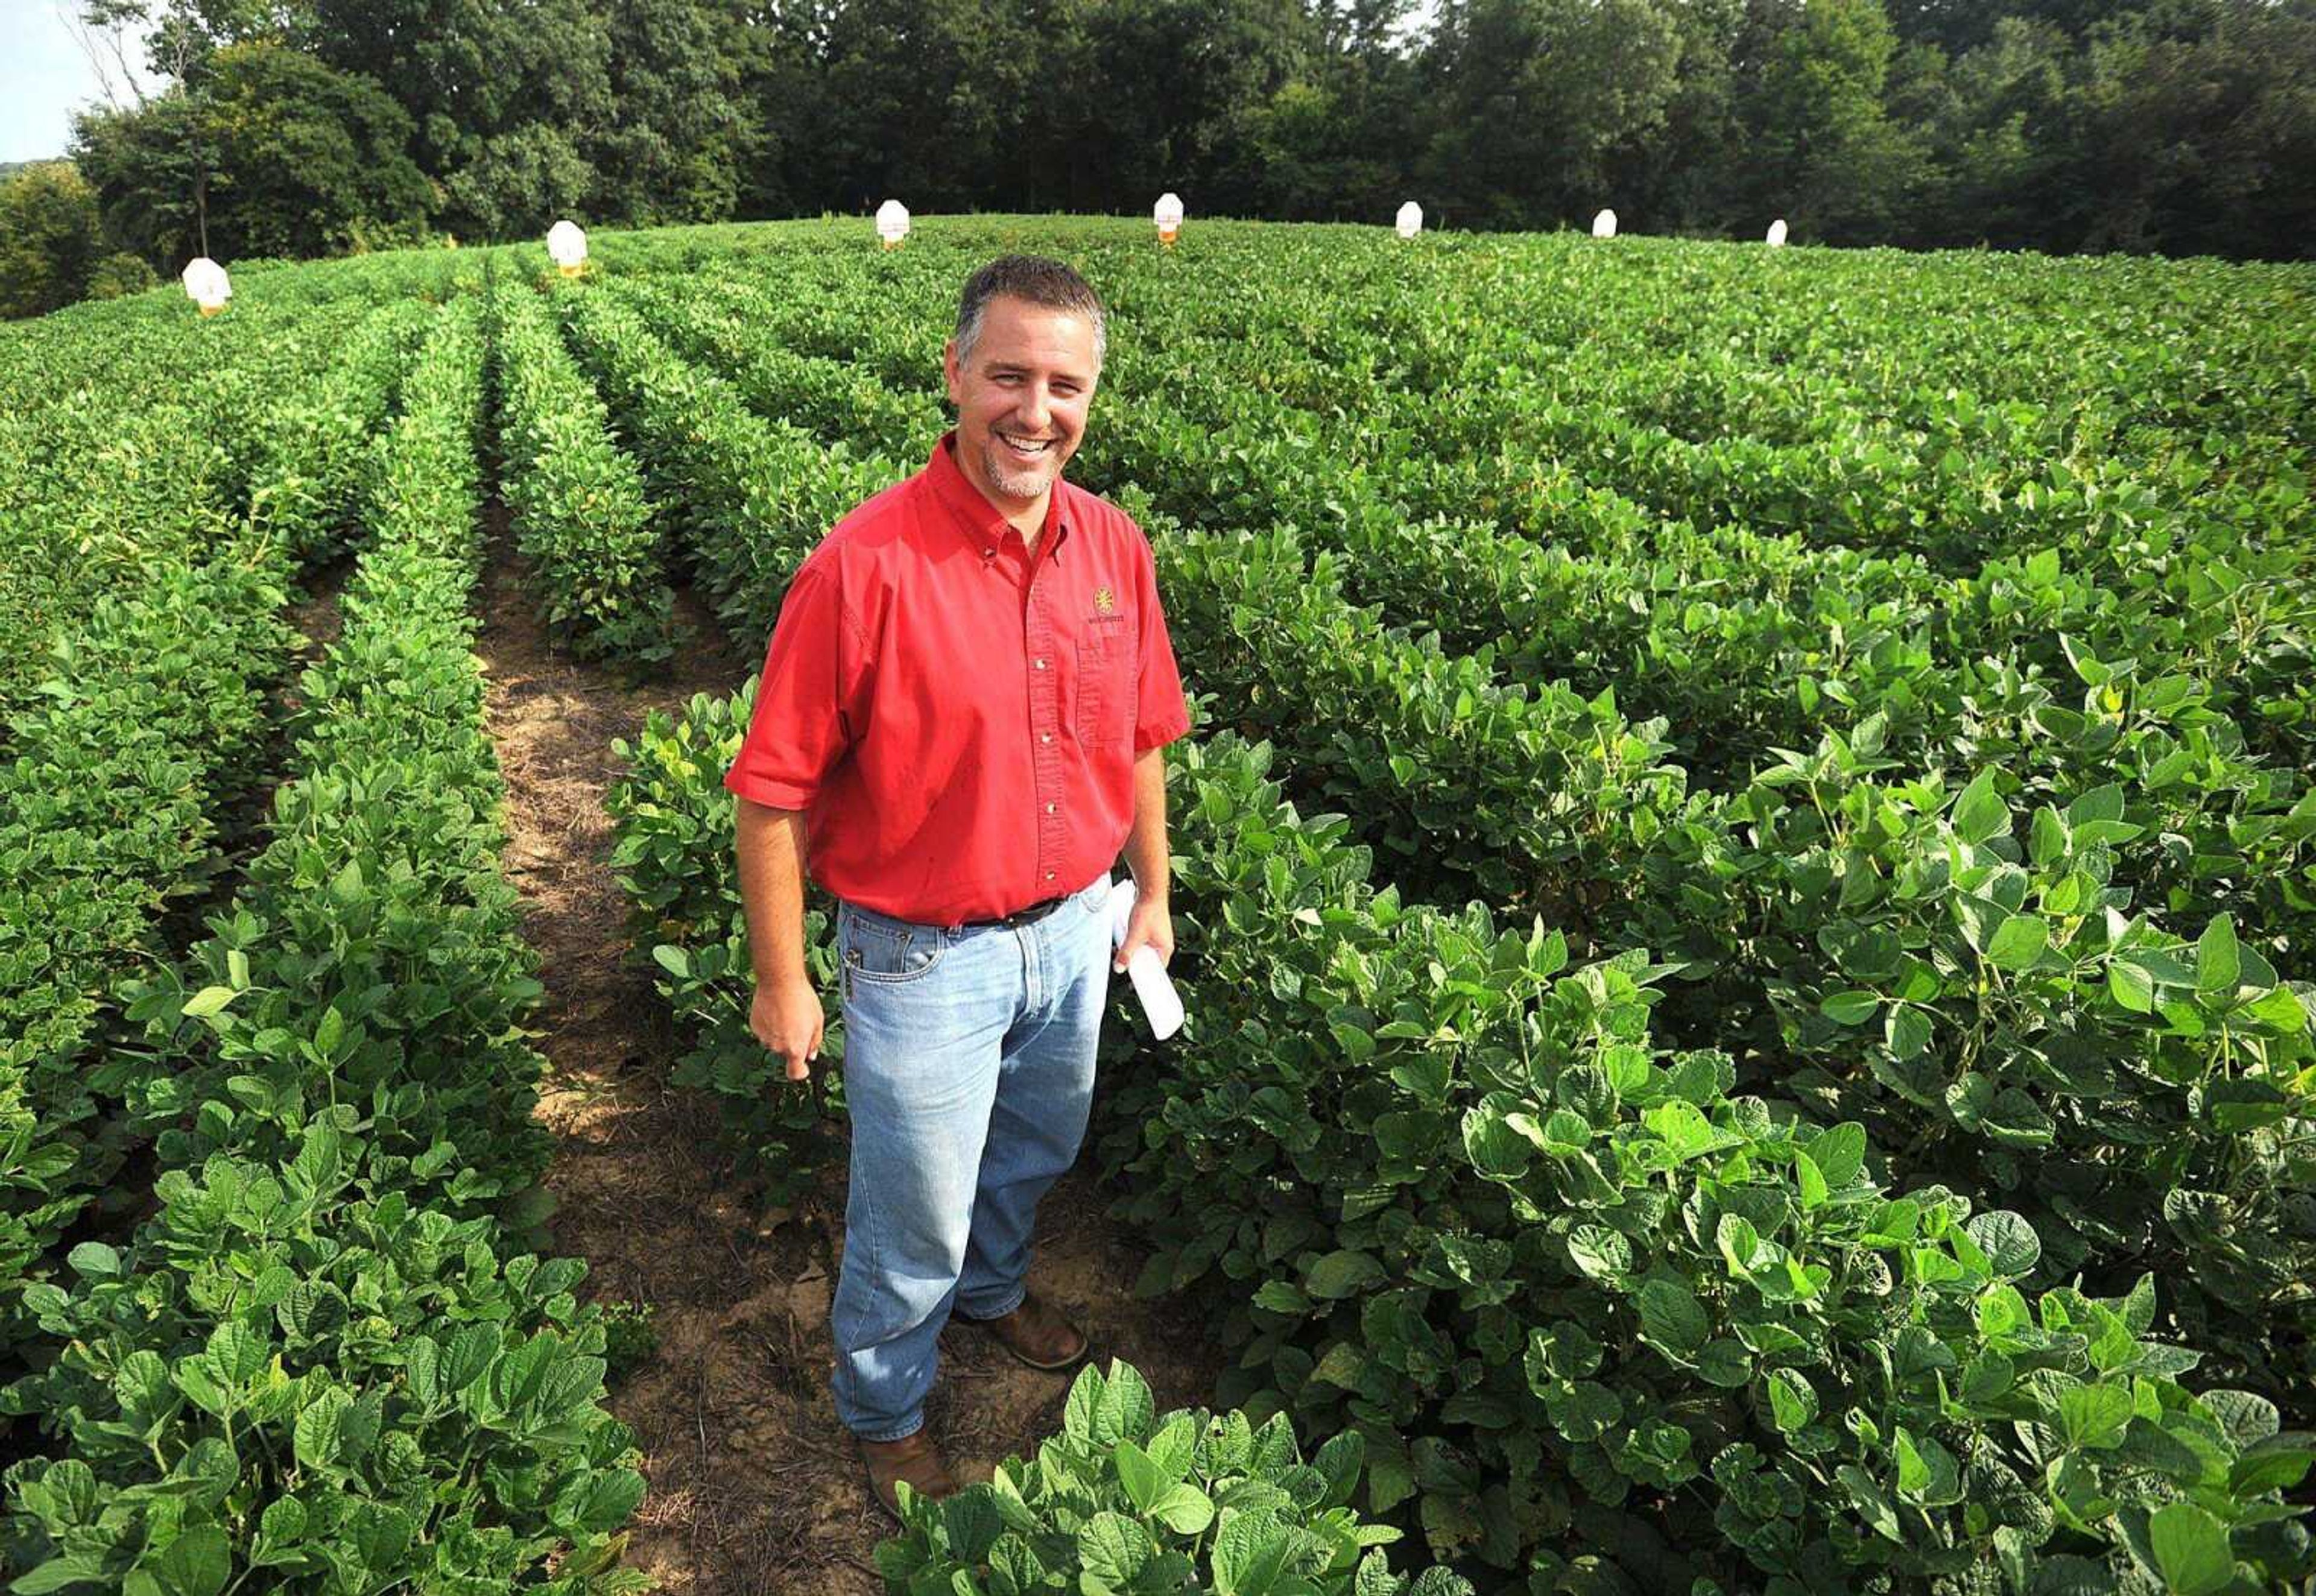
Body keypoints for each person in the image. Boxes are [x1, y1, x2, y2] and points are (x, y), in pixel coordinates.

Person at [721, 254, 1191, 1519]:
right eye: (1009, 376)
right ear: (955, 374)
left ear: (1091, 395)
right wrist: (785, 980)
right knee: (910, 1208)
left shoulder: (1113, 547)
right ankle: (886, 1409)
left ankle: (993, 1293)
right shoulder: (863, 566)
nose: (1036, 409)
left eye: (1064, 383)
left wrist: (1148, 896)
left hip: (1072, 930)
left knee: (1035, 1148)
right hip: (922, 953)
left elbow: (1142, 733)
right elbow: (769, 792)